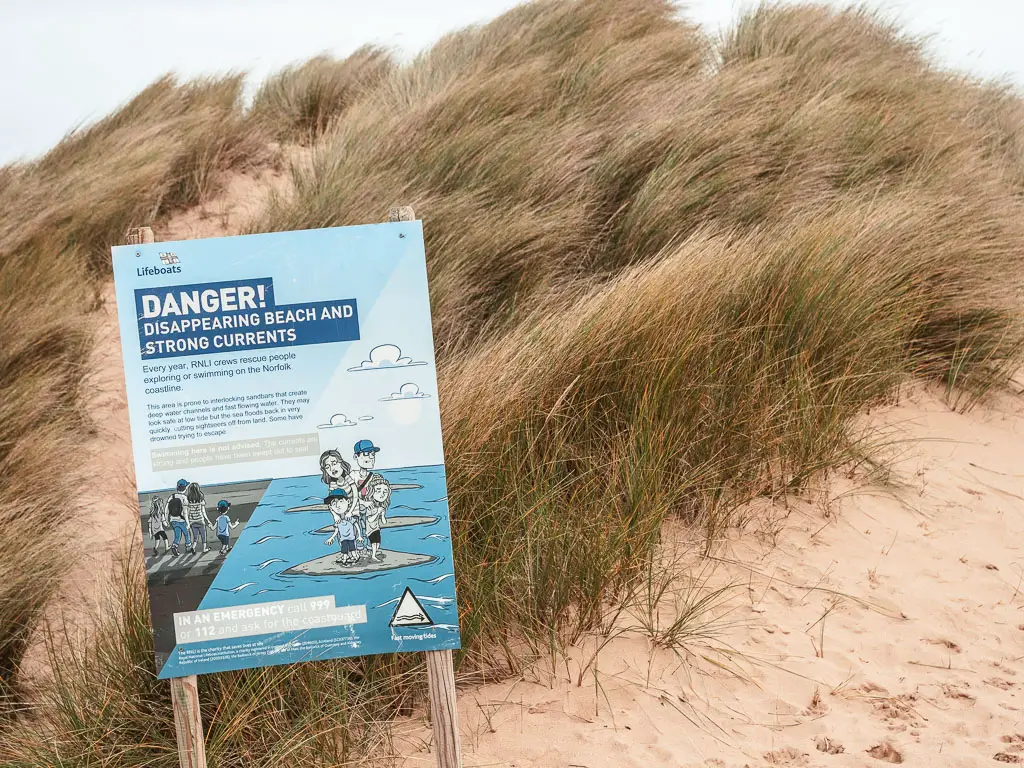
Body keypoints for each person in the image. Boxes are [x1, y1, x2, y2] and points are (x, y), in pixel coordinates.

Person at [323, 489, 362, 566]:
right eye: (334, 503)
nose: (337, 506)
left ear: (348, 501)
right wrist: (331, 538)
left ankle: (355, 557)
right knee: (344, 550)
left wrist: (360, 536)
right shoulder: (338, 521)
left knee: (352, 549)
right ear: (331, 507)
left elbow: (356, 525)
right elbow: (336, 531)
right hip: (343, 539)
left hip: (351, 538)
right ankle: (344, 559)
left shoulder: (349, 518)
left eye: (341, 501)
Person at [361, 474, 391, 561]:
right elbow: (369, 519)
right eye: (378, 491)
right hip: (370, 529)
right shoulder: (371, 507)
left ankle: (373, 554)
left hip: (377, 528)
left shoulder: (381, 507)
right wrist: (377, 512)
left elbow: (384, 521)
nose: (382, 494)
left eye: (385, 492)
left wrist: (382, 514)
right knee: (374, 543)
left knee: (377, 544)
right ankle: (373, 556)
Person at [184, 482, 212, 554]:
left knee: (195, 536)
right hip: (200, 520)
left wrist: (188, 523)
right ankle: (204, 549)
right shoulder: (201, 498)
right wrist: (208, 520)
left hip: (192, 521)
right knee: (203, 536)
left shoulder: (188, 499)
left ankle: (193, 547)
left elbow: (187, 512)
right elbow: (203, 511)